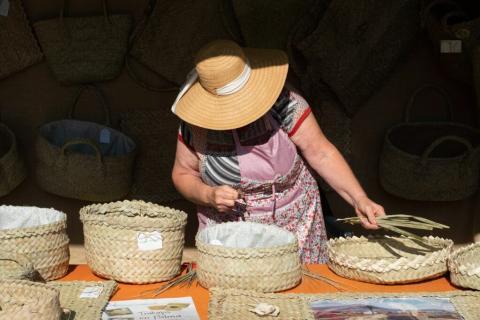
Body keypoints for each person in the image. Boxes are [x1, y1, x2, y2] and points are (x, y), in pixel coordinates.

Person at [171, 40, 385, 263]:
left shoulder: (285, 103)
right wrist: (209, 195)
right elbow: (183, 173)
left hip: (295, 227)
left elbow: (320, 152)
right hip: (230, 237)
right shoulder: (195, 126)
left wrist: (359, 198)